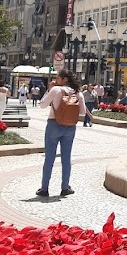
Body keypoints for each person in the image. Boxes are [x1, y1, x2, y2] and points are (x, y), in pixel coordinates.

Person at [37, 69, 86, 198]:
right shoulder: (77, 93)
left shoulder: (56, 90)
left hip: (54, 124)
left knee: (49, 158)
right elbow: (82, 113)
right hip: (70, 127)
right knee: (66, 157)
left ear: (64, 79)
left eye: (57, 78)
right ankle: (65, 187)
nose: (55, 80)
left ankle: (44, 189)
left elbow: (42, 105)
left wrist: (49, 89)